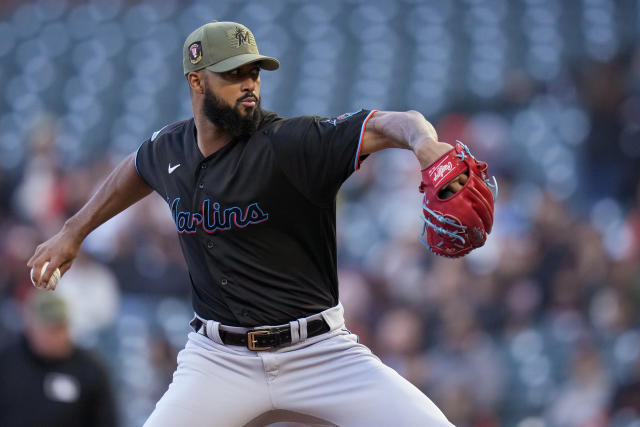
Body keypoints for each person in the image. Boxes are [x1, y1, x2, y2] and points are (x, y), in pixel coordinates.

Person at [28, 20, 468, 426]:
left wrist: (423, 141)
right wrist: (73, 231)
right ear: (196, 80)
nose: (249, 85)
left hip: (318, 352)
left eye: (254, 73)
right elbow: (136, 169)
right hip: (218, 361)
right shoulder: (169, 149)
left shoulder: (291, 143)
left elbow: (394, 123)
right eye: (234, 75)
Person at [0, 290, 117, 427]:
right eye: (50, 329)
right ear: (31, 327)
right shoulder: (6, 361)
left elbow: (106, 420)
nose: (57, 336)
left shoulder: (89, 369)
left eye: (61, 328)